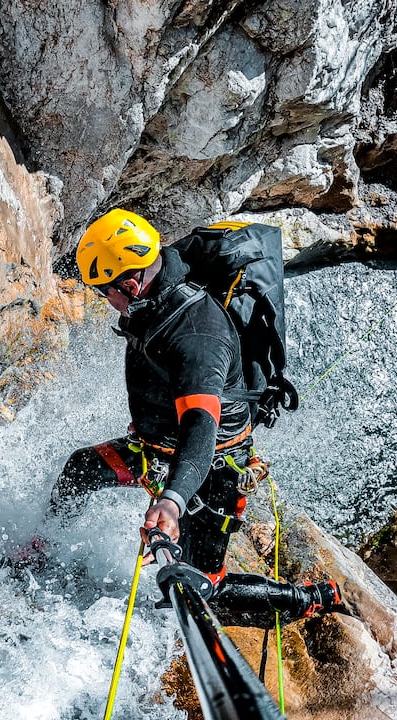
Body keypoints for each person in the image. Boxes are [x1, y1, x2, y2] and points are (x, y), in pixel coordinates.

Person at [49, 208, 346, 628]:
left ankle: (310, 598)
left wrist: (172, 501)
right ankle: (42, 547)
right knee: (80, 469)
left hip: (212, 462)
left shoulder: (197, 336)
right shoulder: (161, 281)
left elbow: (200, 429)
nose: (106, 302)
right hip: (156, 446)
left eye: (105, 292)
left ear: (131, 283)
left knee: (204, 589)